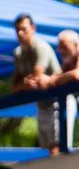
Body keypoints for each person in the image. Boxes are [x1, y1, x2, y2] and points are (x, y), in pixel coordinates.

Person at [13, 14, 63, 151]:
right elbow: (15, 86)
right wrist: (24, 83)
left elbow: (35, 78)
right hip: (41, 106)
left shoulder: (40, 46)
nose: (20, 33)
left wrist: (24, 83)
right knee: (47, 148)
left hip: (57, 103)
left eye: (23, 29)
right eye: (17, 29)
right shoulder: (18, 53)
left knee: (56, 147)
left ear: (33, 28)